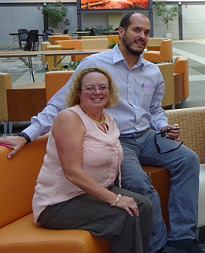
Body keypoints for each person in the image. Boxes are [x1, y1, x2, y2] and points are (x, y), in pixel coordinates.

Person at [0, 12, 202, 253]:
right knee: (139, 184)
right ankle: (157, 247)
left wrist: (162, 126)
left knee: (188, 160)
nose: (142, 36)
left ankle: (182, 238)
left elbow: (156, 110)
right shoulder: (95, 64)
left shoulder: (153, 72)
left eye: (146, 32)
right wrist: (26, 135)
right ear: (121, 32)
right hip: (116, 141)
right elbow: (59, 104)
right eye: (136, 30)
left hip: (148, 136)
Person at [32, 66, 153, 253]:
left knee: (143, 205)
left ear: (109, 92)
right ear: (79, 93)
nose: (97, 92)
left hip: (89, 194)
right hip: (58, 203)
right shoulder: (70, 119)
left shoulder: (108, 120)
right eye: (90, 88)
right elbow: (72, 172)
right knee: (124, 215)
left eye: (102, 87)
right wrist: (115, 199)